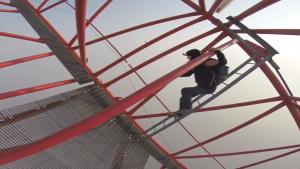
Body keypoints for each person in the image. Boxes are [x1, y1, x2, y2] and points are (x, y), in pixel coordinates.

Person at [176, 48, 227, 116]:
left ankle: (186, 109)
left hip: (208, 87)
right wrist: (175, 75)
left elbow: (222, 62)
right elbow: (188, 73)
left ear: (193, 55)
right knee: (186, 91)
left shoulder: (206, 61)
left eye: (189, 56)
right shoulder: (197, 64)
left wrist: (218, 52)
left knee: (187, 91)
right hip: (202, 86)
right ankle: (184, 109)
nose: (188, 58)